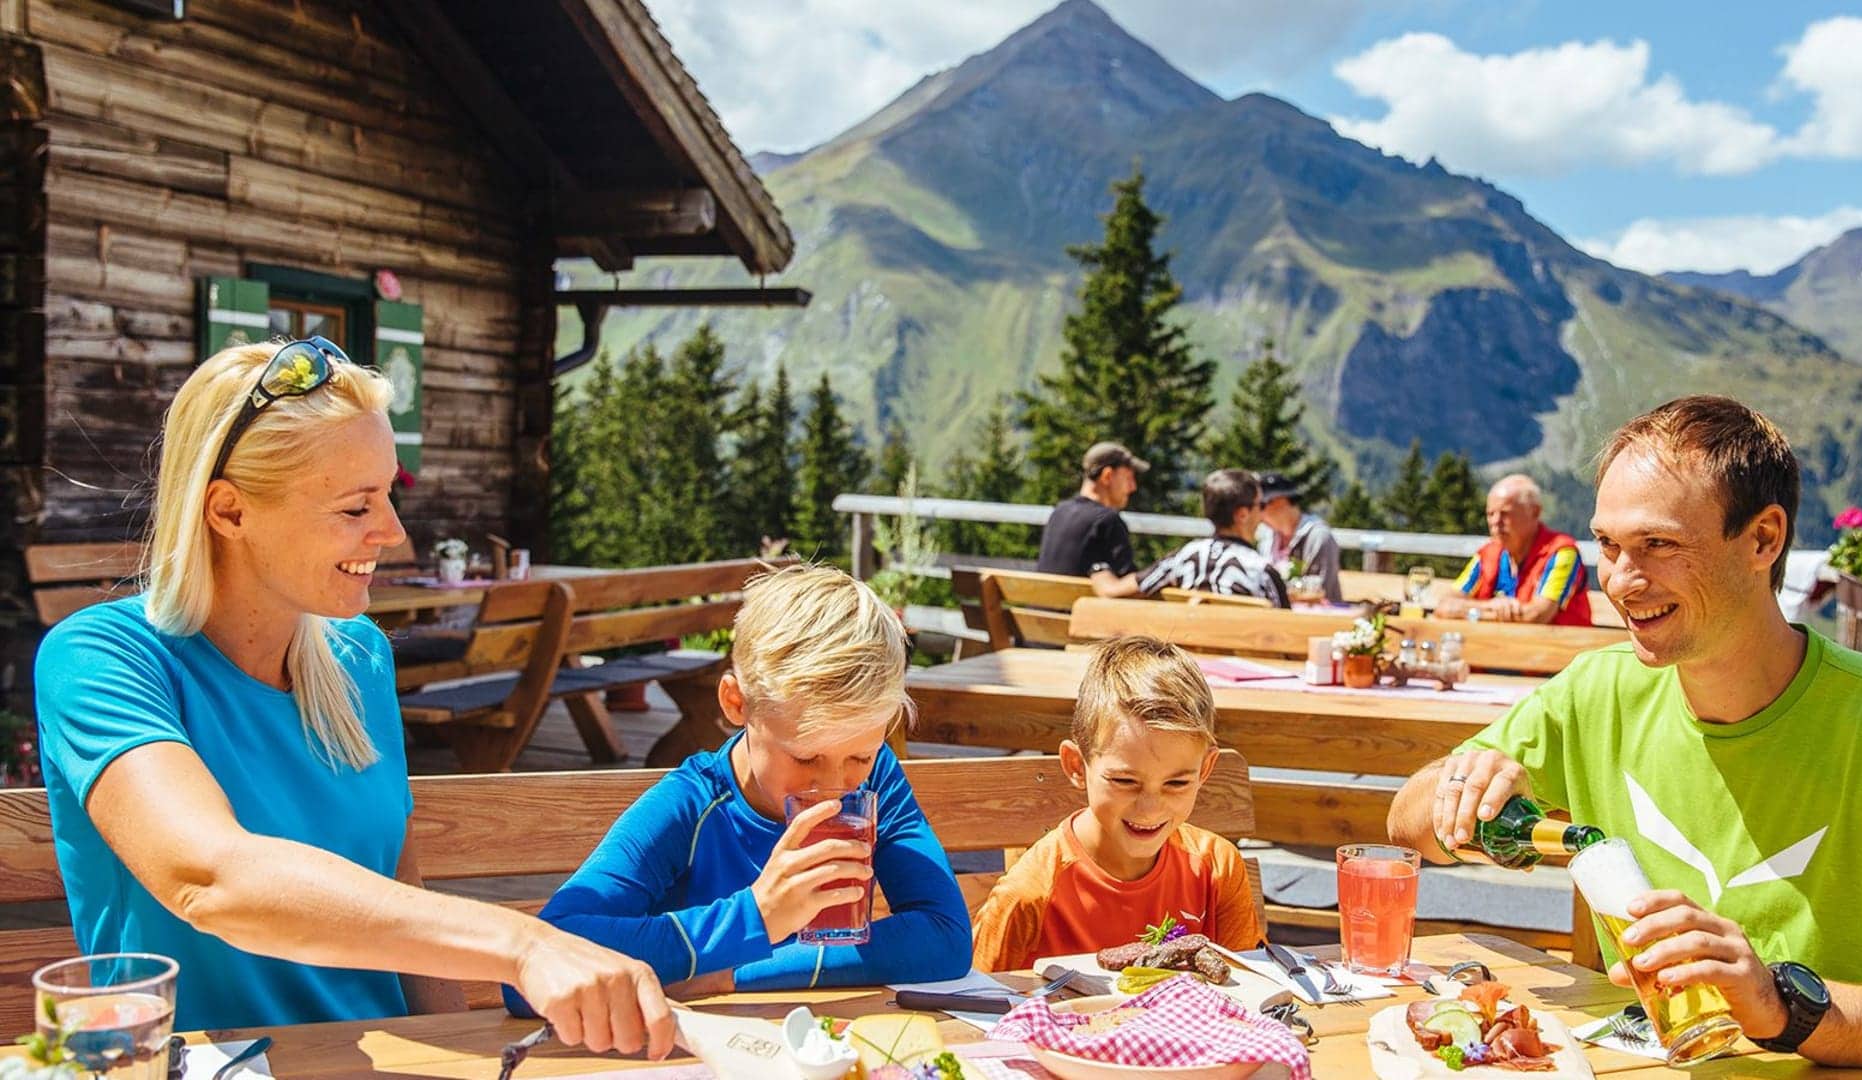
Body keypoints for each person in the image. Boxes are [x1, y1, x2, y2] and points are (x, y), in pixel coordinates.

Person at [34, 339, 675, 1055]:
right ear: (229, 511)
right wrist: (523, 944)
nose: (393, 532)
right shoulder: (101, 659)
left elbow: (398, 877)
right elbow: (210, 880)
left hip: (387, 1060)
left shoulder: (357, 656)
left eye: (388, 494)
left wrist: (462, 1050)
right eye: (354, 507)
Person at [1386, 396, 1862, 1072]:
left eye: (1658, 545)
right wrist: (1461, 789)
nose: (1622, 581)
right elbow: (1405, 826)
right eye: (1608, 546)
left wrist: (1778, 1004)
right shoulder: (1597, 689)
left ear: (1763, 539)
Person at [524, 564, 970, 1000]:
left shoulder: (878, 780)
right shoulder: (688, 804)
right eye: (805, 756)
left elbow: (946, 937)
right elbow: (536, 966)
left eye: (860, 755)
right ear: (736, 703)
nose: (836, 787)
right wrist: (756, 916)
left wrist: (732, 975)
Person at [971, 636, 1262, 971]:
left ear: (1205, 771)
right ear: (1077, 766)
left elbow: (1250, 985)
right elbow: (976, 996)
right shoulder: (1030, 893)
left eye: (1176, 783)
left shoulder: (1217, 868)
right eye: (1125, 781)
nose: (1150, 808)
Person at [1432, 474, 1591, 626]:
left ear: (1535, 512)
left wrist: (1471, 611)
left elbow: (1537, 615)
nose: (1495, 521)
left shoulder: (1562, 552)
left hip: (1557, 644)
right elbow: (1444, 605)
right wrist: (1490, 606)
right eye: (1490, 514)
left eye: (1505, 513)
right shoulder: (1487, 555)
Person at [1137, 469, 1290, 607]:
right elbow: (1287, 623)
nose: (1262, 514)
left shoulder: (1184, 556)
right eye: (1261, 505)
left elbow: (1133, 587)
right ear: (1242, 514)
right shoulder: (1261, 571)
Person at [1036, 441, 1148, 597]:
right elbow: (1128, 589)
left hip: (1038, 610)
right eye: (1128, 478)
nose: (1133, 487)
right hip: (1079, 612)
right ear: (1107, 476)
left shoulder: (1059, 511)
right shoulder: (1107, 521)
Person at [1253, 472, 1342, 603]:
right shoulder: (1266, 536)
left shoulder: (1318, 536)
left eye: (1261, 506)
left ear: (1280, 501)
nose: (1257, 514)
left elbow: (1321, 589)